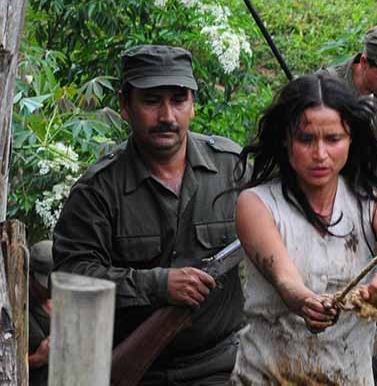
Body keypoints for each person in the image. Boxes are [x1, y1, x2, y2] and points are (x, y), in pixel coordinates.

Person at [54, 45, 245, 385]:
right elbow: (73, 277)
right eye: (152, 101)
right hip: (140, 373)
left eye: (179, 100)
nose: (167, 116)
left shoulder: (232, 168)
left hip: (223, 364)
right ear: (125, 106)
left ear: (193, 104)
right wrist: (159, 285)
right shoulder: (98, 190)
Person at [231, 73, 377, 386]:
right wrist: (305, 301)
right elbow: (286, 281)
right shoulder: (257, 204)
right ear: (285, 140)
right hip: (265, 378)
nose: (320, 154)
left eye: (333, 139)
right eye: (306, 139)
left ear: (351, 139)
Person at [27, 240, 53, 386]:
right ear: (31, 275)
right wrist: (38, 359)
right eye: (47, 285)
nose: (52, 291)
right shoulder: (17, 307)